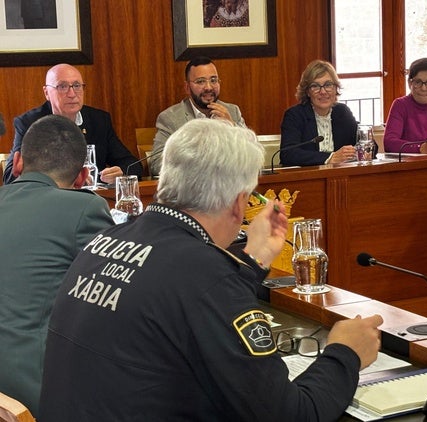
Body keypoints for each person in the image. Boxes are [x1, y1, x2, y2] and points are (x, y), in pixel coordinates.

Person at [39, 119, 383, 421]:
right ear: (238, 202)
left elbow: (192, 300)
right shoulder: (203, 274)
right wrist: (344, 354)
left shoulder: (107, 240)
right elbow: (290, 414)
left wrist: (254, 261)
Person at [0, 114, 114, 415]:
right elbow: (116, 295)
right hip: (32, 390)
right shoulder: (85, 207)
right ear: (83, 177)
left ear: (19, 161)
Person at [2, 63, 142, 185]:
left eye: (76, 86)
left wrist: (121, 171)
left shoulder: (99, 120)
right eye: (62, 86)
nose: (72, 93)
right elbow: (10, 176)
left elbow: (133, 164)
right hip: (49, 200)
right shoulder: (29, 123)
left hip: (94, 198)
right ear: (46, 92)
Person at [150, 56, 246, 176]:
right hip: (191, 190)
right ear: (187, 87)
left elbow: (253, 155)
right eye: (200, 81)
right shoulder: (171, 118)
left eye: (213, 80)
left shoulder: (232, 111)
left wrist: (233, 129)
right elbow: (157, 164)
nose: (209, 87)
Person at [280, 59, 360, 166]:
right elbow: (288, 154)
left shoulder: (343, 112)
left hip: (340, 175)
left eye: (328, 85)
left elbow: (364, 145)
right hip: (306, 177)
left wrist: (361, 150)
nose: (323, 92)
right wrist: (330, 158)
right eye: (315, 86)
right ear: (308, 91)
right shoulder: (294, 115)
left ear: (336, 88)